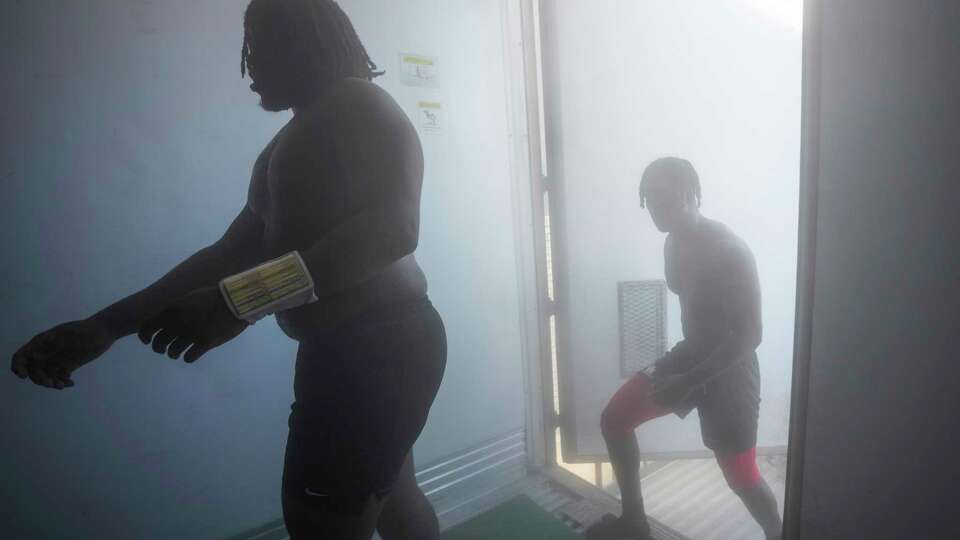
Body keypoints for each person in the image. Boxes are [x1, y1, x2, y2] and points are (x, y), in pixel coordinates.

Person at [9, 1, 446, 538]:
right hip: (362, 352)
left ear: (305, 42)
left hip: (378, 351)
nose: (250, 69)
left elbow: (393, 230)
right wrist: (104, 327)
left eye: (260, 49)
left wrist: (240, 302)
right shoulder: (295, 138)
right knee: (393, 498)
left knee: (323, 523)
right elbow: (229, 253)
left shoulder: (357, 105)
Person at [585, 157, 782, 540]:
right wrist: (683, 373)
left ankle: (780, 533)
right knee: (615, 418)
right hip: (691, 354)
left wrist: (690, 380)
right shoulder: (672, 243)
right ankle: (635, 524)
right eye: (648, 200)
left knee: (741, 476)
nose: (655, 208)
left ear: (692, 193)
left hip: (731, 368)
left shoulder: (730, 250)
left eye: (664, 197)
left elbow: (750, 335)